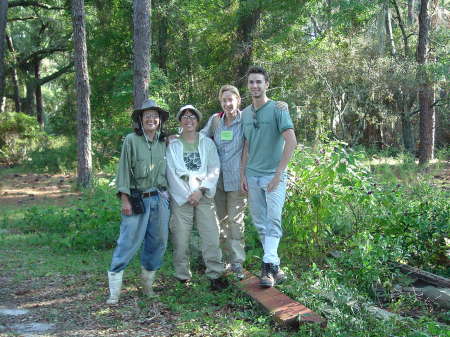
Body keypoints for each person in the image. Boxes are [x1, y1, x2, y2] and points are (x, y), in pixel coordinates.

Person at [107, 99, 170, 304]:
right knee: (127, 242)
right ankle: (114, 293)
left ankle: (147, 286)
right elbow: (123, 170)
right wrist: (124, 199)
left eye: (154, 115)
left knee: (158, 242)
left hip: (160, 200)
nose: (151, 119)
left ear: (160, 120)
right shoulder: (131, 140)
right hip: (136, 200)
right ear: (140, 119)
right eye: (146, 115)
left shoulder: (165, 141)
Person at [240, 66, 297, 288]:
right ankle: (274, 266)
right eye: (251, 82)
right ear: (248, 86)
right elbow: (246, 146)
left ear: (267, 85)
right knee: (261, 224)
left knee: (273, 220)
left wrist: (279, 173)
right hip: (252, 177)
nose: (255, 86)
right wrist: (243, 173)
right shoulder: (245, 113)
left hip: (273, 177)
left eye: (259, 82)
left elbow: (291, 142)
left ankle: (267, 268)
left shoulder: (278, 109)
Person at [166, 104, 228, 290]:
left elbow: (214, 168)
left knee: (211, 236)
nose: (188, 120)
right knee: (181, 238)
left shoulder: (206, 143)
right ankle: (182, 277)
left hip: (203, 196)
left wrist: (200, 191)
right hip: (181, 198)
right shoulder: (173, 144)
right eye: (184, 116)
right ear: (180, 121)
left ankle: (215, 275)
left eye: (192, 117)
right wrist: (187, 195)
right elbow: (171, 172)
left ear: (198, 121)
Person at [200, 85, 247, 279]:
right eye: (224, 100)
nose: (227, 104)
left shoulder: (247, 120)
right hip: (217, 180)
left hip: (238, 179)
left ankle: (237, 262)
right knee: (219, 222)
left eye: (231, 100)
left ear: (238, 100)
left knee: (236, 222)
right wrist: (180, 137)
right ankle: (223, 259)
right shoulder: (215, 120)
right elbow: (201, 137)